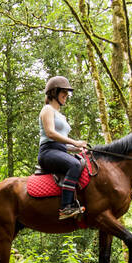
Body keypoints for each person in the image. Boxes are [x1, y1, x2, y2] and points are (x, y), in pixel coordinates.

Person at [38, 76, 88, 220]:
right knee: (74, 164)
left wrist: (77, 149)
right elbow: (50, 133)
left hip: (59, 151)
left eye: (67, 93)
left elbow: (62, 144)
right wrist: (75, 142)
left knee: (82, 161)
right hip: (48, 152)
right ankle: (66, 207)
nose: (66, 96)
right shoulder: (47, 109)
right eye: (63, 92)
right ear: (54, 92)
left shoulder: (61, 116)